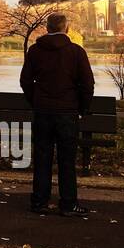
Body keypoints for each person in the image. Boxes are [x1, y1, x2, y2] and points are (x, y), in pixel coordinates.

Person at [19, 12, 94, 217]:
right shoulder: (76, 52)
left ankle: (39, 202)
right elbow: (88, 84)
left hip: (43, 112)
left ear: (47, 28)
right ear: (65, 28)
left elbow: (25, 81)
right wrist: (81, 108)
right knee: (66, 160)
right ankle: (68, 204)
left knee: (42, 157)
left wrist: (36, 100)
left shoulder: (35, 51)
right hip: (67, 113)